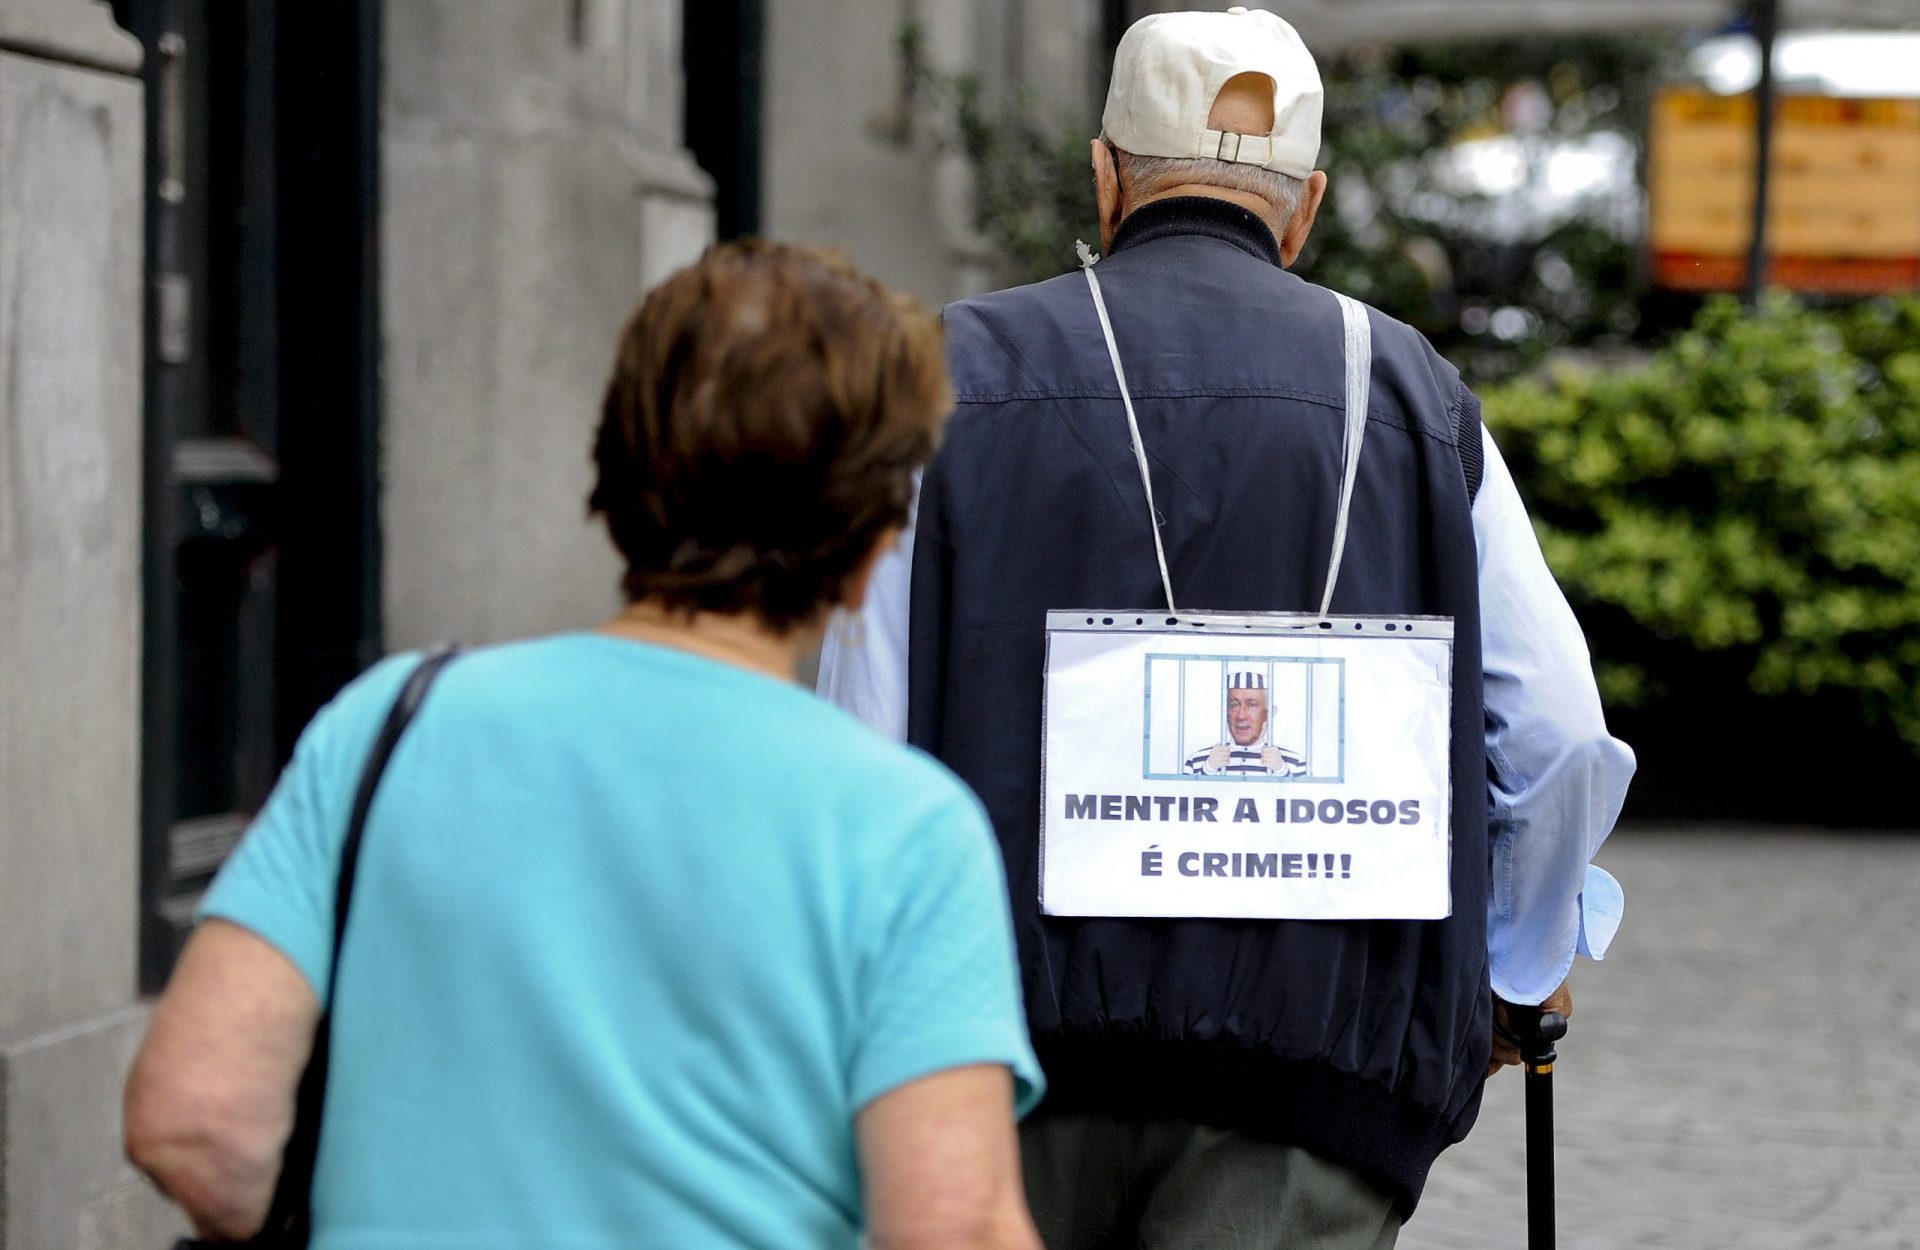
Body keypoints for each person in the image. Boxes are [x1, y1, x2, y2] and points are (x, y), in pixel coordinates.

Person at [817, 9, 1634, 1248]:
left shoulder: (947, 373)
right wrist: (1517, 966)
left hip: (996, 1071)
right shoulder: (1417, 390)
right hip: (1309, 1087)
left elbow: (859, 739)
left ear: (1105, 178)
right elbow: (1562, 733)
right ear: (1304, 205)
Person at [124, 241, 1046, 1250]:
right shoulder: (906, 831)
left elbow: (193, 1120)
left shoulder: (391, 724)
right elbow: (951, 1224)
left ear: (618, 462)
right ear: (872, 544)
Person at [1182, 672, 1306, 776]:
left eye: (1252, 705)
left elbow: (1308, 801)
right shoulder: (1197, 761)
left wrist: (1281, 771)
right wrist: (1208, 769)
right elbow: (1181, 803)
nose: (1241, 716)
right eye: (1234, 705)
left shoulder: (1294, 764)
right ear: (1225, 711)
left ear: (1269, 712)